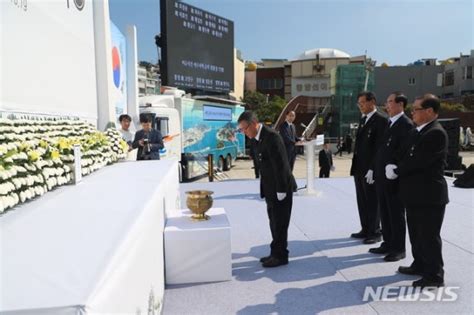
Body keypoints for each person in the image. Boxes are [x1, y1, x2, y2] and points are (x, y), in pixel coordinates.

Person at [386, 94, 449, 288]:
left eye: (416, 109)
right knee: (415, 233)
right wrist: (392, 162)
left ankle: (434, 275)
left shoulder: (435, 133)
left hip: (429, 195)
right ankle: (420, 264)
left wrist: (397, 170)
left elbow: (419, 161)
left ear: (429, 111)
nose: (412, 112)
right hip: (414, 194)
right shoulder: (417, 131)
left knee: (428, 236)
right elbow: (404, 153)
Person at [238, 111, 296, 268]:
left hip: (280, 187)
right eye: (241, 130)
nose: (243, 133)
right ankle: (274, 252)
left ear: (254, 124)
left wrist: (282, 189)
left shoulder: (272, 137)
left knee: (281, 222)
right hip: (270, 187)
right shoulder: (256, 138)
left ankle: (281, 256)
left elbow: (282, 165)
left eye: (244, 129)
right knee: (273, 221)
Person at [370, 92, 414, 262]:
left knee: (395, 213)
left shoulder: (405, 124)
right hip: (382, 177)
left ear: (400, 104)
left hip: (394, 178)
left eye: (390, 102)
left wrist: (394, 167)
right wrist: (374, 169)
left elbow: (403, 151)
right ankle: (388, 243)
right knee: (385, 212)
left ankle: (398, 248)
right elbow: (382, 150)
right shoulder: (390, 123)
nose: (386, 105)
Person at [350, 91, 388, 244]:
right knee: (362, 200)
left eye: (363, 103)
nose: (360, 106)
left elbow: (380, 147)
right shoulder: (363, 119)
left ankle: (375, 231)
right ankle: (365, 228)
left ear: (372, 102)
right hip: (359, 167)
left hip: (371, 169)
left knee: (373, 201)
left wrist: (373, 168)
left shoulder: (381, 120)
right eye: (359, 103)